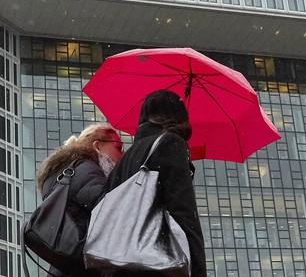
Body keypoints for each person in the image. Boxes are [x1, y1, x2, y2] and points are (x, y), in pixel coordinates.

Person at [105, 89, 206, 276]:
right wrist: (198, 270)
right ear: (177, 116)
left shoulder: (125, 158)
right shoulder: (170, 143)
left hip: (121, 264)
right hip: (157, 263)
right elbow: (183, 214)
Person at [36, 124, 124, 277]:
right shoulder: (85, 168)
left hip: (66, 266)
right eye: (118, 147)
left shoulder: (61, 172)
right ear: (97, 145)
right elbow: (109, 209)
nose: (122, 155)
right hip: (84, 263)